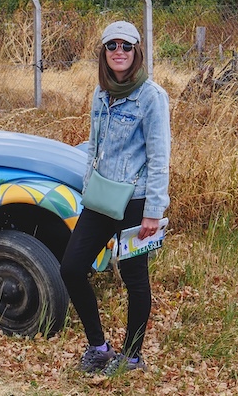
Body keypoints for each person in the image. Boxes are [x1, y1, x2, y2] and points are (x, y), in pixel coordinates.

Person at [60, 20, 171, 375]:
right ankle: (99, 347)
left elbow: (159, 157)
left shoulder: (151, 97)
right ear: (103, 53)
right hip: (102, 197)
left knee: (134, 277)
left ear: (137, 51)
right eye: (112, 46)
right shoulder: (100, 93)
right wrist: (87, 186)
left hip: (136, 201)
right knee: (72, 268)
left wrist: (153, 211)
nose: (118, 52)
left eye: (126, 46)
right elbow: (94, 146)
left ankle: (132, 356)